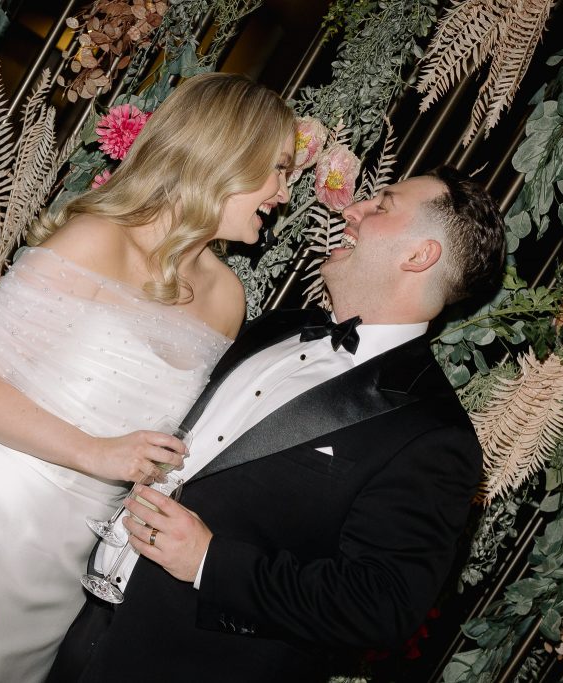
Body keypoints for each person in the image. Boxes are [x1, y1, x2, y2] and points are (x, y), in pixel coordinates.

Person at [0, 72, 296, 683]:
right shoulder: (95, 240)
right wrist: (97, 452)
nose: (284, 193)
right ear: (227, 155)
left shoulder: (227, 297)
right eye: (278, 169)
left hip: (73, 546)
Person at [48, 166, 507, 682]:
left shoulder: (432, 433)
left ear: (419, 256)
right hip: (87, 629)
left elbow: (381, 605)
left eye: (382, 206)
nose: (351, 210)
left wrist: (208, 562)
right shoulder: (278, 326)